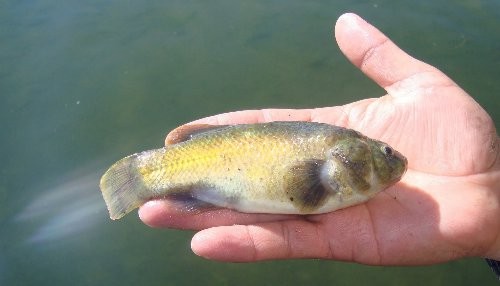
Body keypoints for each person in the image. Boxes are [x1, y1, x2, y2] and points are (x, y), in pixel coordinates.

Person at [139, 13, 500, 273]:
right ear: (350, 158)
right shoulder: (334, 158)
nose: (394, 162)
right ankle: (143, 176)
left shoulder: (340, 161)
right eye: (384, 154)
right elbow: (307, 192)